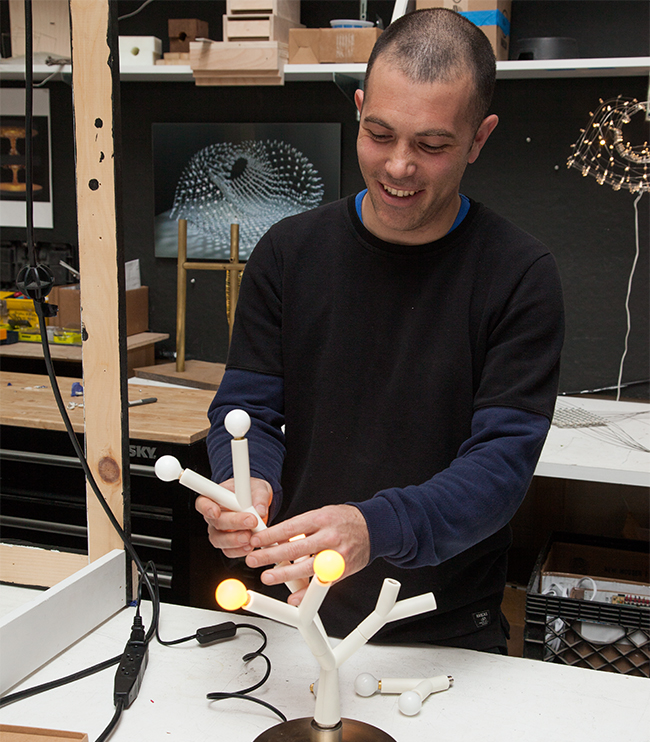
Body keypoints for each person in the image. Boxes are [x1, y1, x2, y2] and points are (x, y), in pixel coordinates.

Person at [195, 7, 564, 653]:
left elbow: (501, 468)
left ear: (479, 138)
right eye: (380, 133)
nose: (398, 166)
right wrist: (244, 480)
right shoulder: (288, 253)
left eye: (431, 145)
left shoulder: (518, 275)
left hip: (445, 629)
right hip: (294, 614)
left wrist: (375, 526)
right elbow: (246, 408)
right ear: (360, 109)